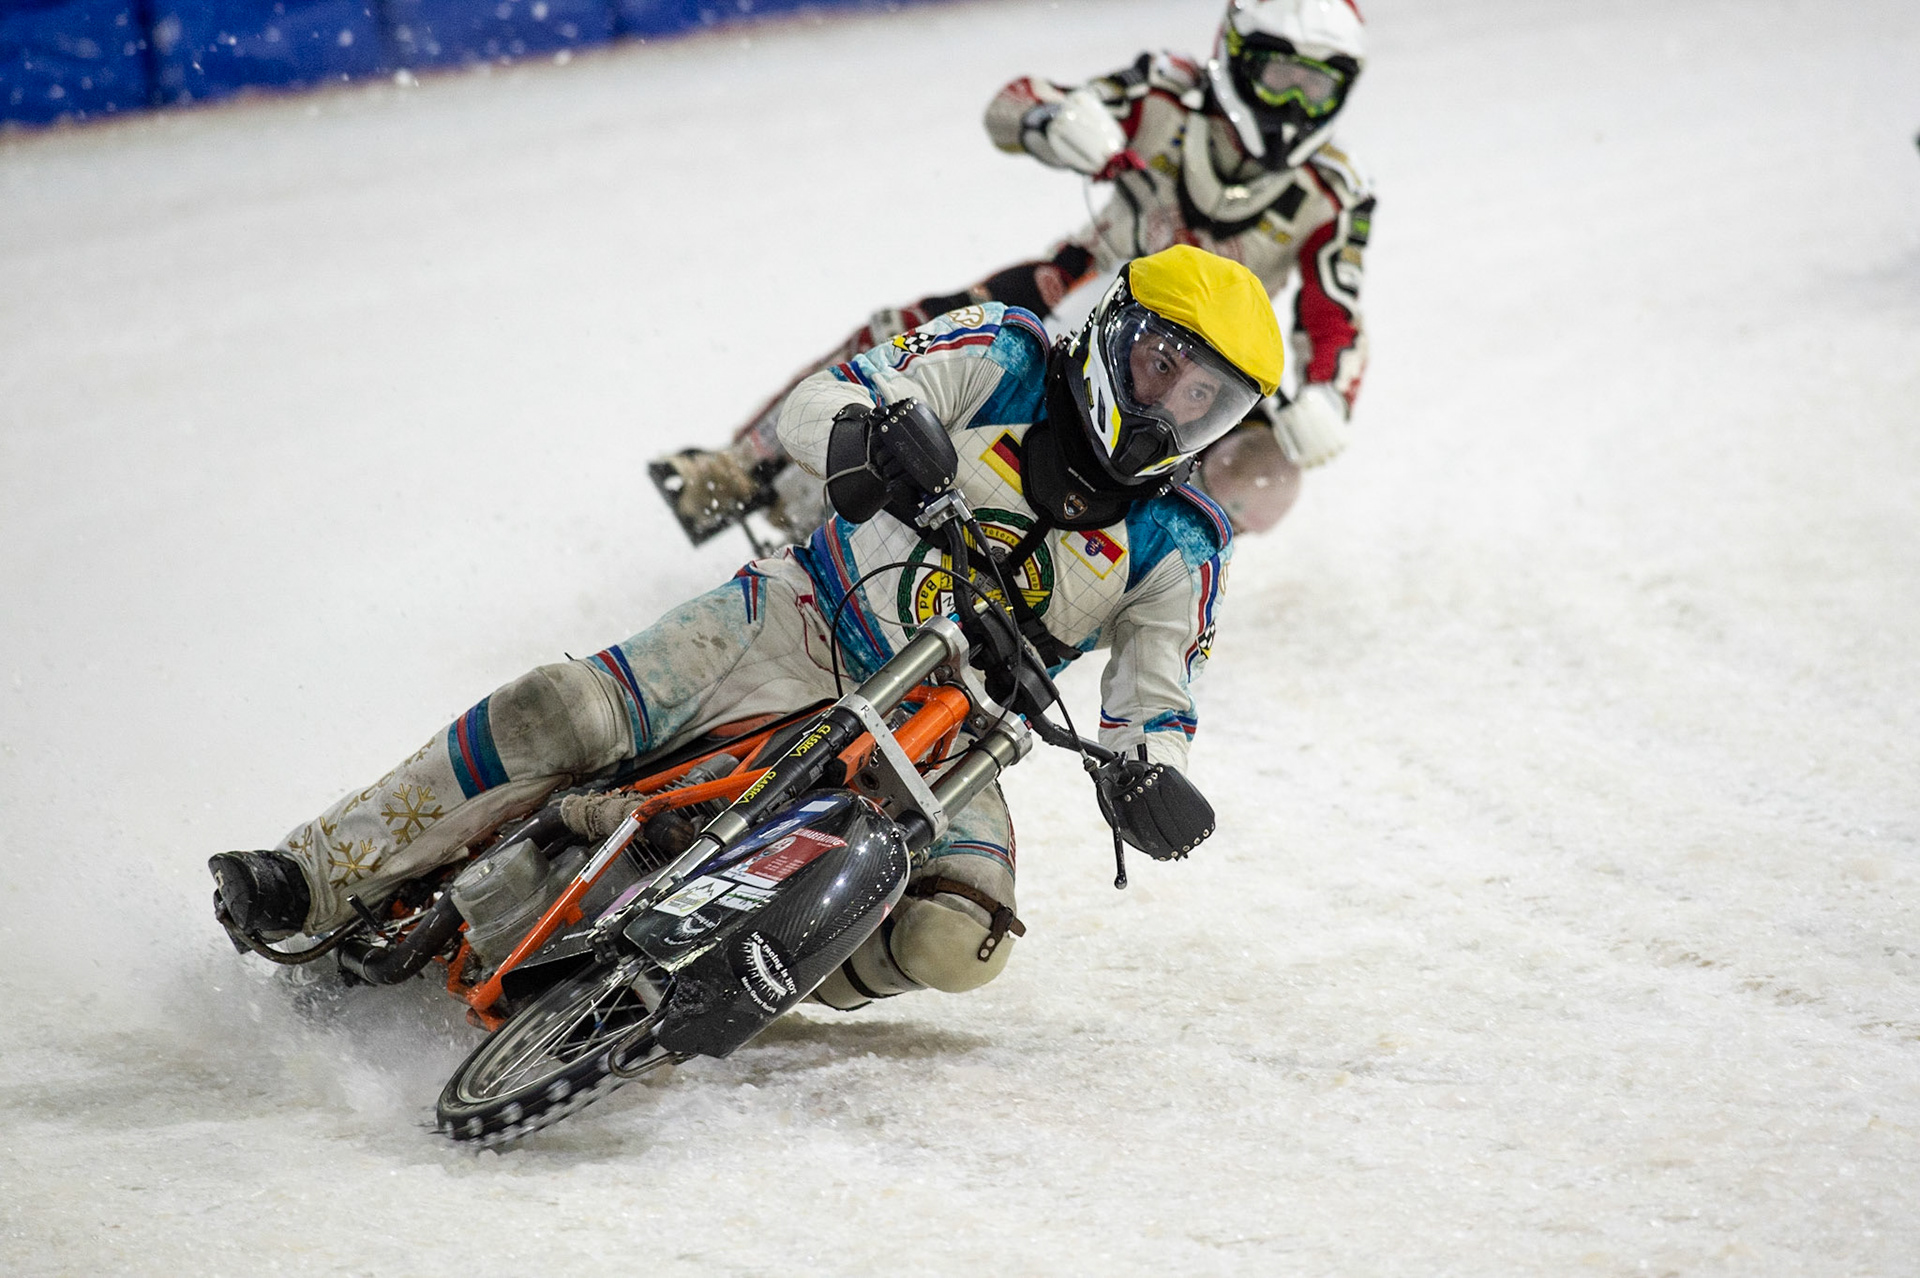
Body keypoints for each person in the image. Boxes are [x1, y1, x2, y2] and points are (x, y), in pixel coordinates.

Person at [211, 245, 1282, 1010]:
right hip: (799, 621)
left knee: (962, 938)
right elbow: (834, 392)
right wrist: (869, 431)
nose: (1168, 408)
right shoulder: (1006, 355)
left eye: (1205, 402)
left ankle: (731, 985)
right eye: (1160, 367)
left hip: (946, 740)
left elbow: (1158, 686)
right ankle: (312, 872)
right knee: (563, 708)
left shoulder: (1182, 539)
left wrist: (1152, 766)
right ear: (1115, 334)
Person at [655, 0, 1372, 545]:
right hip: (1083, 285)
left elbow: (1334, 313)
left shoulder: (1336, 191)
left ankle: (1152, 573)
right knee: (901, 337)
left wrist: (1330, 396)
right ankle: (739, 468)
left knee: (1267, 469)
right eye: (1281, 78)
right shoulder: (1166, 89)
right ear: (1238, 56)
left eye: (1316, 91)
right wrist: (1054, 119)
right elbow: (1013, 103)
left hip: (1195, 355)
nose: (1292, 109)